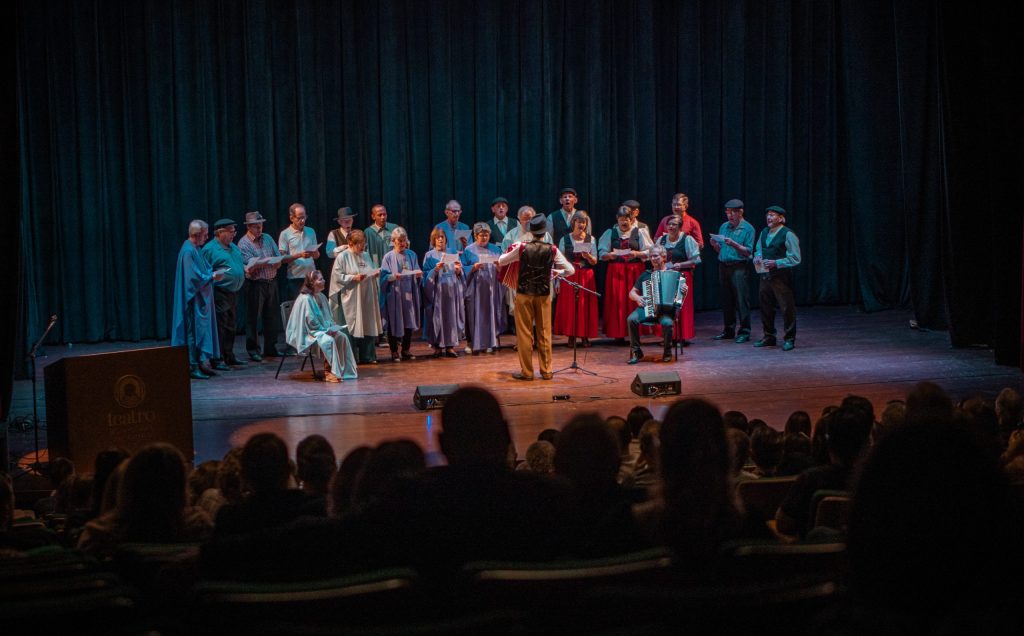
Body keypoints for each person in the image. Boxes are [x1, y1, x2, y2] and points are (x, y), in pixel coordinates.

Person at [498, 212, 574, 380]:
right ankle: (546, 371)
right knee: (545, 332)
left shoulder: (522, 247)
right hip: (543, 294)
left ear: (531, 231)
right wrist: (556, 271)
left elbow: (502, 260)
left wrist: (513, 251)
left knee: (525, 333)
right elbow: (571, 270)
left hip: (524, 294)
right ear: (544, 231)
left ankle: (527, 372)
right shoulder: (552, 249)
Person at [172, 219, 223, 380]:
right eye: (205, 235)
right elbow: (192, 278)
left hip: (199, 299)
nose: (206, 238)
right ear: (196, 234)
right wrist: (212, 276)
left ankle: (202, 362)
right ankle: (192, 365)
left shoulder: (196, 249)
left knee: (199, 330)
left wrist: (212, 272)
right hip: (192, 300)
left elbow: (204, 267)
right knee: (192, 332)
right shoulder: (188, 251)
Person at [286, 270, 357, 382]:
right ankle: (330, 372)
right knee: (328, 340)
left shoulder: (321, 296)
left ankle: (342, 370)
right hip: (308, 332)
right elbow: (311, 322)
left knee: (342, 337)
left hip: (321, 329)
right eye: (320, 279)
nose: (324, 281)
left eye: (323, 278)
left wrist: (331, 327)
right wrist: (326, 330)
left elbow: (328, 316)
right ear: (312, 282)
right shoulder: (305, 298)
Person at [329, 229, 383, 364]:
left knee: (367, 324)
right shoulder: (343, 257)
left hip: (366, 296)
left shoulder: (365, 255)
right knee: (351, 326)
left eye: (363, 244)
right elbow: (337, 276)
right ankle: (350, 356)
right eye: (359, 244)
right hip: (352, 298)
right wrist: (353, 277)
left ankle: (368, 356)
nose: (362, 247)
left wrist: (374, 273)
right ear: (350, 243)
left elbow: (369, 269)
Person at [598, 206, 652, 340]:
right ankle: (618, 333)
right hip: (616, 271)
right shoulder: (610, 232)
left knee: (635, 299)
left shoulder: (640, 232)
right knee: (618, 300)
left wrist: (637, 253)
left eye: (626, 220)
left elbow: (650, 251)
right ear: (617, 219)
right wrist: (608, 255)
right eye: (621, 220)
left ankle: (636, 332)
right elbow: (601, 252)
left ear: (632, 219)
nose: (624, 223)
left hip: (634, 270)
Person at [626, 245, 686, 364]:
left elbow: (680, 297)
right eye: (651, 256)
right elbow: (631, 292)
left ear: (664, 257)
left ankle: (667, 353)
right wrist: (637, 297)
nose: (653, 259)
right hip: (647, 307)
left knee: (668, 323)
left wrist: (683, 291)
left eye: (656, 256)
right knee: (631, 319)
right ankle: (637, 352)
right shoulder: (646, 274)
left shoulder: (674, 275)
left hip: (665, 311)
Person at [753, 206, 801, 351]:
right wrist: (757, 257)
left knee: (787, 308)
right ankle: (769, 337)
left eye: (772, 215)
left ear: (780, 218)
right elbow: (758, 249)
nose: (769, 218)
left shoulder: (788, 234)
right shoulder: (764, 232)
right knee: (766, 307)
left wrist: (777, 263)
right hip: (765, 276)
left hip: (781, 277)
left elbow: (795, 258)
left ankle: (789, 339)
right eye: (768, 215)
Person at [237, 211, 282, 362]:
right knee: (253, 318)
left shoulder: (268, 238)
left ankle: (271, 347)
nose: (259, 229)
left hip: (271, 282)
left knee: (272, 316)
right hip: (255, 284)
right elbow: (250, 266)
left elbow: (277, 255)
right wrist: (264, 261)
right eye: (256, 226)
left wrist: (278, 261)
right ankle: (253, 349)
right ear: (249, 226)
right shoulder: (243, 243)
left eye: (261, 225)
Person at [202, 218, 247, 369]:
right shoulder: (210, 249)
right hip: (219, 292)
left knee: (231, 326)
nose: (234, 234)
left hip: (233, 293)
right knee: (220, 327)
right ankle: (217, 358)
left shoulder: (233, 247)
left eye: (234, 231)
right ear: (220, 232)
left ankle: (229, 355)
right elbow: (203, 271)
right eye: (231, 231)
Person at [709, 198, 755, 343]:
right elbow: (720, 250)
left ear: (740, 212)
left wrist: (734, 244)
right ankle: (728, 330)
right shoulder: (724, 226)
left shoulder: (748, 228)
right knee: (726, 300)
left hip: (739, 266)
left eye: (733, 212)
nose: (730, 216)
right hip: (723, 265)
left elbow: (748, 252)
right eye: (728, 212)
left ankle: (744, 331)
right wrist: (715, 245)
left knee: (741, 300)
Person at [553, 211, 598, 348]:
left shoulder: (591, 239)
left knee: (585, 305)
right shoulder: (565, 239)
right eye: (579, 222)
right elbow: (559, 261)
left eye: (584, 222)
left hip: (586, 275)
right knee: (570, 305)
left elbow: (595, 261)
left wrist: (588, 257)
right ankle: (571, 336)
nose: (581, 225)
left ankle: (584, 336)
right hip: (570, 274)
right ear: (573, 223)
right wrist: (558, 280)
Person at [656, 214, 701, 345]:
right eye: (669, 224)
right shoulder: (661, 240)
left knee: (681, 307)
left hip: (682, 276)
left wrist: (680, 265)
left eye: (674, 224)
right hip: (665, 276)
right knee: (665, 306)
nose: (670, 226)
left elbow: (696, 259)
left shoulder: (687, 240)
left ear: (680, 227)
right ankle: (667, 336)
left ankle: (681, 336)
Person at [379, 227, 422, 362]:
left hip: (409, 292)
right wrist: (392, 277)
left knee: (408, 321)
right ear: (393, 241)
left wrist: (419, 274)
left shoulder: (411, 255)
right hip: (395, 294)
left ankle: (406, 349)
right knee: (394, 322)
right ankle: (394, 351)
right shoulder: (388, 257)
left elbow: (416, 270)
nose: (402, 243)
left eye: (404, 240)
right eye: (399, 241)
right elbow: (383, 277)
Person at [462, 223, 505, 354]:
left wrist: (498, 266)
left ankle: (490, 342)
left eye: (487, 235)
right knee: (473, 314)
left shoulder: (495, 250)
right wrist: (473, 267)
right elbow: (463, 268)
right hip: (475, 288)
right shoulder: (469, 250)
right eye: (481, 235)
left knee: (491, 314)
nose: (484, 237)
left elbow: (502, 269)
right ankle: (471, 343)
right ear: (475, 236)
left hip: (491, 288)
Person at [422, 228, 466, 357]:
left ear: (446, 239)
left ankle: (450, 346)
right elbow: (425, 275)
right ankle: (437, 346)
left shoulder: (453, 252)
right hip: (438, 290)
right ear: (433, 240)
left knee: (451, 317)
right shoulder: (429, 255)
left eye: (442, 237)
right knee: (438, 317)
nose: (440, 239)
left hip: (451, 290)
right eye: (437, 237)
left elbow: (459, 272)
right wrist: (434, 270)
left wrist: (458, 270)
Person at [278, 203, 320, 299]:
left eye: (304, 217)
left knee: (313, 306)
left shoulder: (311, 231)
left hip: (311, 276)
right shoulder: (285, 234)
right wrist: (300, 255)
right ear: (292, 218)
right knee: (298, 308)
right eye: (299, 218)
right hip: (295, 278)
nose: (303, 220)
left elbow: (317, 255)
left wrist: (315, 253)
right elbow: (282, 259)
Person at [363, 204, 398, 269]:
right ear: (373, 217)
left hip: (393, 265)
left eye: (384, 214)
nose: (383, 217)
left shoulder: (394, 228)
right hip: (377, 266)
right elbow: (365, 252)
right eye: (380, 215)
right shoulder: (368, 232)